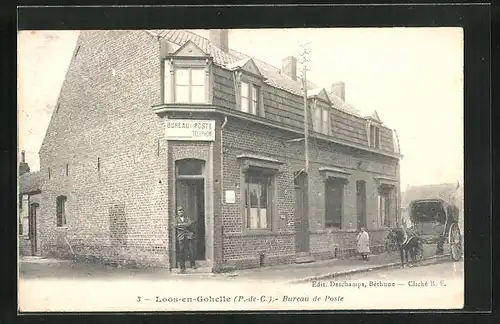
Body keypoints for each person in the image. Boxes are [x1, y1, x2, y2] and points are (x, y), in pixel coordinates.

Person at [175, 206, 196, 273]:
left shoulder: (187, 218)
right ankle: (182, 267)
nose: (180, 212)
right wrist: (185, 225)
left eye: (181, 210)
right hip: (181, 237)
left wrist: (180, 225)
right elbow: (175, 226)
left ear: (183, 211)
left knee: (191, 250)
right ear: (177, 212)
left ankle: (192, 264)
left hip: (188, 237)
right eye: (179, 210)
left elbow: (189, 224)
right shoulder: (176, 219)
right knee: (181, 252)